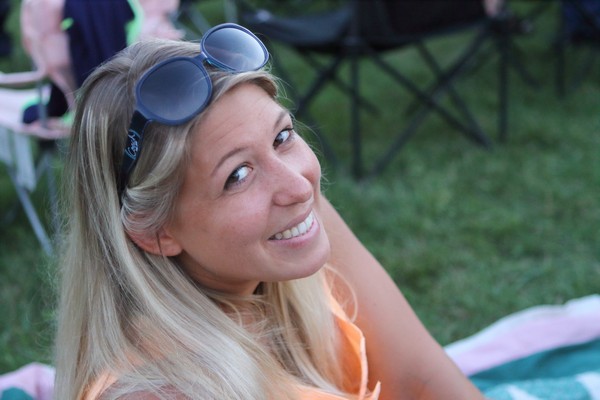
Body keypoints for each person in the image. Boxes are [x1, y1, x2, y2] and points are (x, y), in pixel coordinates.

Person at [54, 23, 485, 400]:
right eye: (237, 175)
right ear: (156, 232)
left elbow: (418, 377)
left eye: (281, 137)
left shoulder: (288, 234)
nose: (299, 187)